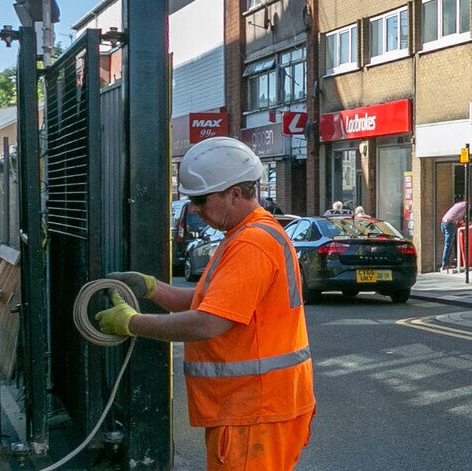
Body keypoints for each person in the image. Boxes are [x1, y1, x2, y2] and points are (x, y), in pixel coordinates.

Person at [95, 136, 313, 471]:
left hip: (252, 410)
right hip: (257, 407)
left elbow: (209, 321)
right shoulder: (248, 235)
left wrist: (131, 322)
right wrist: (151, 288)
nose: (193, 208)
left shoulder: (251, 244)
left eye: (200, 199)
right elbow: (208, 301)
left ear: (234, 195)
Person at [439, 198, 469, 270]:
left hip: (443, 223)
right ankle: (445, 264)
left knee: (448, 244)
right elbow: (465, 217)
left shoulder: (458, 205)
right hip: (449, 224)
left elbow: (457, 216)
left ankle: (447, 262)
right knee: (448, 244)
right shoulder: (466, 206)